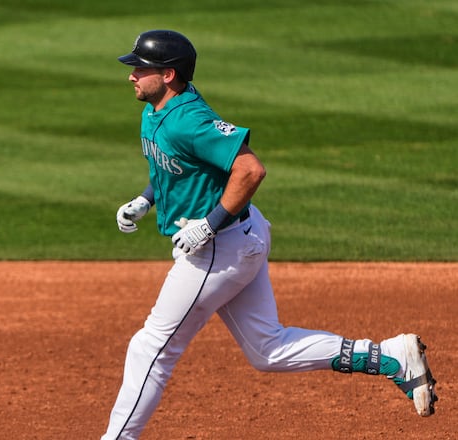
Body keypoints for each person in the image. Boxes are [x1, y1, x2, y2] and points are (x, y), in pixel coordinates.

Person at [102, 29, 437, 439]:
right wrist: (145, 199)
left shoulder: (190, 119)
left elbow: (249, 170)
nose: (131, 75)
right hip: (240, 237)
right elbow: (177, 167)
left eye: (141, 68)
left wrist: (208, 225)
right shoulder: (156, 110)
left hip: (217, 249)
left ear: (168, 74)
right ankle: (389, 356)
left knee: (151, 346)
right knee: (268, 349)